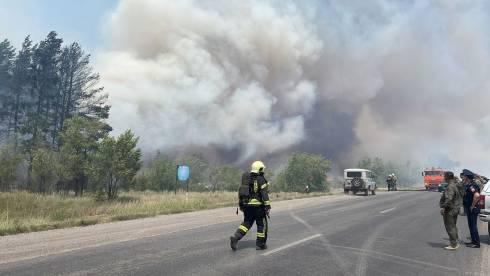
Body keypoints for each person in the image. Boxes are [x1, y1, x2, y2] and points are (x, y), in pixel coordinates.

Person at [230, 160, 271, 251]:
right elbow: (264, 194)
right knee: (261, 225)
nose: (263, 170)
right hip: (258, 207)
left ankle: (235, 237)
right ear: (260, 169)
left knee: (246, 223)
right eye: (262, 169)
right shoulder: (261, 179)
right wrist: (268, 206)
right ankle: (260, 244)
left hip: (247, 206)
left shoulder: (247, 178)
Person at [439, 171, 463, 250]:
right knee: (453, 226)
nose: (444, 178)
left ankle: (453, 245)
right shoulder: (455, 184)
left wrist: (443, 208)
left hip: (450, 210)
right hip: (455, 208)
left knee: (450, 227)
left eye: (444, 176)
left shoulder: (450, 186)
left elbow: (449, 199)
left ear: (447, 177)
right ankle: (455, 241)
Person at [462, 169, 481, 248]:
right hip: (470, 208)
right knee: (471, 225)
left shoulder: (472, 185)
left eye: (464, 176)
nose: (463, 177)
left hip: (473, 208)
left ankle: (476, 243)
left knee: (473, 225)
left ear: (467, 177)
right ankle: (473, 241)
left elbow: (476, 195)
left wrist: (472, 206)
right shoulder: (469, 184)